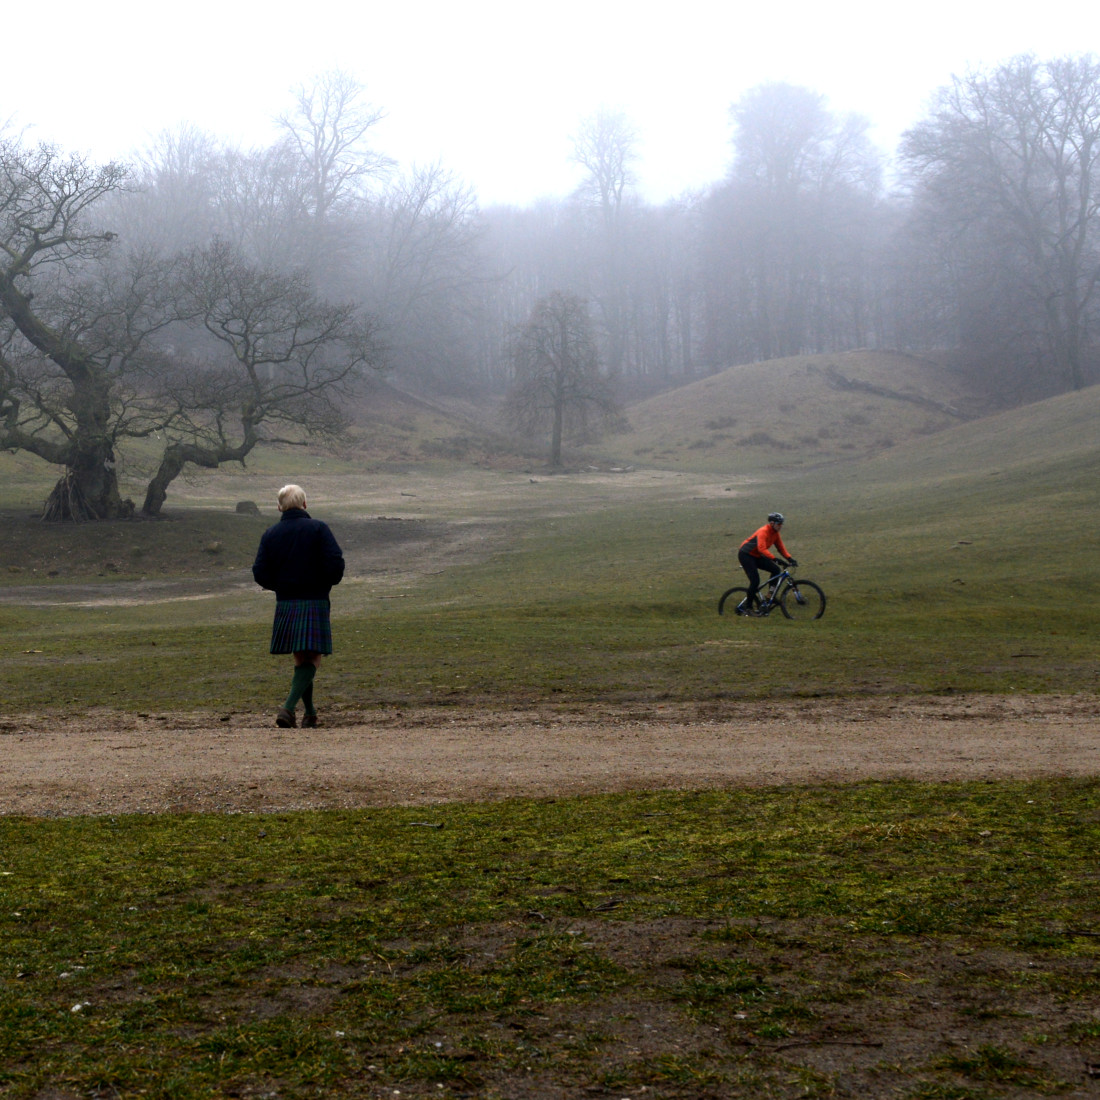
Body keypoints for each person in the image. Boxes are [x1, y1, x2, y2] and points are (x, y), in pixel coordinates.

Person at [252, 484, 345, 728]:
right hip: (314, 599)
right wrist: (326, 582)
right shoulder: (318, 529)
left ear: (279, 506)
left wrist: (280, 586)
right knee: (312, 656)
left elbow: (259, 571)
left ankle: (310, 713)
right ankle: (289, 707)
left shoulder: (271, 534)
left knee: (301, 657)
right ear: (304, 504)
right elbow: (335, 562)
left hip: (287, 601)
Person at [737, 512, 797, 615]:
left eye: (781, 524)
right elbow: (761, 548)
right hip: (746, 555)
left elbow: (780, 548)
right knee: (755, 581)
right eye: (779, 524)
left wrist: (789, 558)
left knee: (776, 570)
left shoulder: (775, 534)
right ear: (772, 523)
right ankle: (748, 607)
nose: (781, 526)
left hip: (756, 556)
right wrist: (775, 559)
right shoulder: (763, 531)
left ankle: (769, 597)